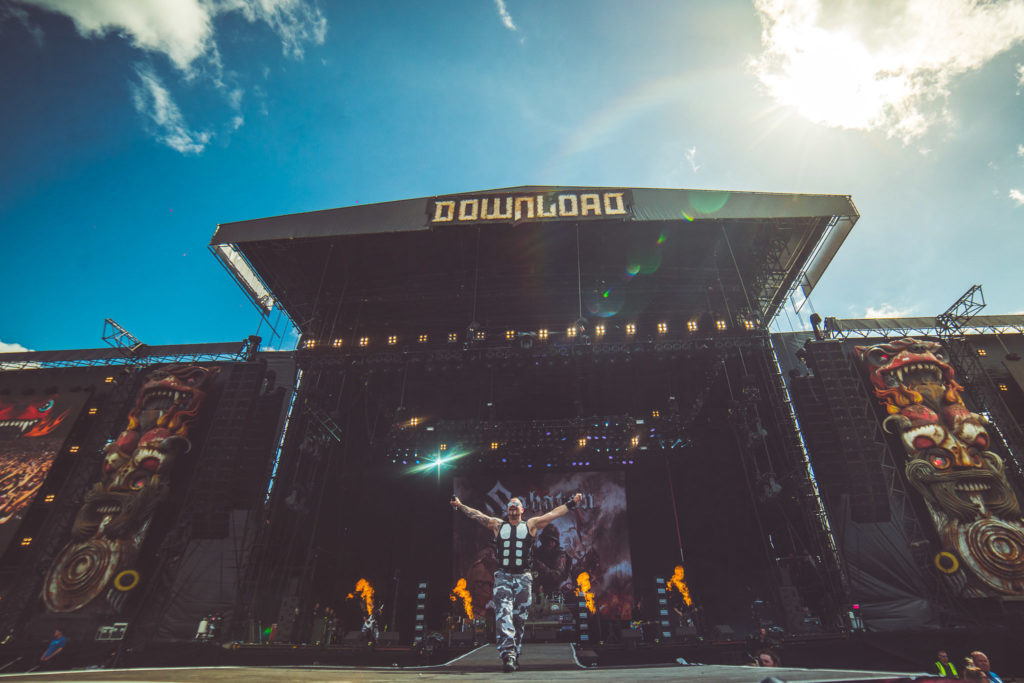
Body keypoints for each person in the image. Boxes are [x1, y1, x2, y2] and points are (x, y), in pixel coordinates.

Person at [451, 492, 584, 673]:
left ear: (522, 509)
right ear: (507, 509)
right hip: (503, 577)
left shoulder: (531, 525)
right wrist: (460, 505)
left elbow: (554, 513)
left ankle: (515, 650)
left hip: (523, 577)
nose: (513, 505)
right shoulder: (497, 525)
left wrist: (571, 503)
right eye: (510, 504)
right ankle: (508, 654)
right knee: (503, 613)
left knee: (519, 619)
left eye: (516, 504)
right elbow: (477, 515)